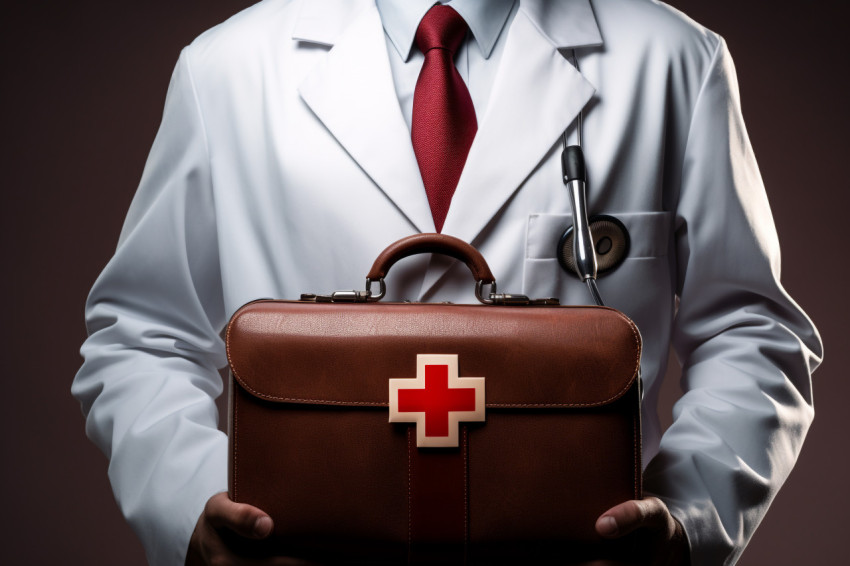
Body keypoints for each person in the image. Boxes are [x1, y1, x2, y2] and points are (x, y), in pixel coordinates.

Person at [72, 0, 822, 565]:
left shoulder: (673, 61)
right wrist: (194, 504)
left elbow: (751, 330)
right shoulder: (227, 69)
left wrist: (687, 517)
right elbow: (144, 335)